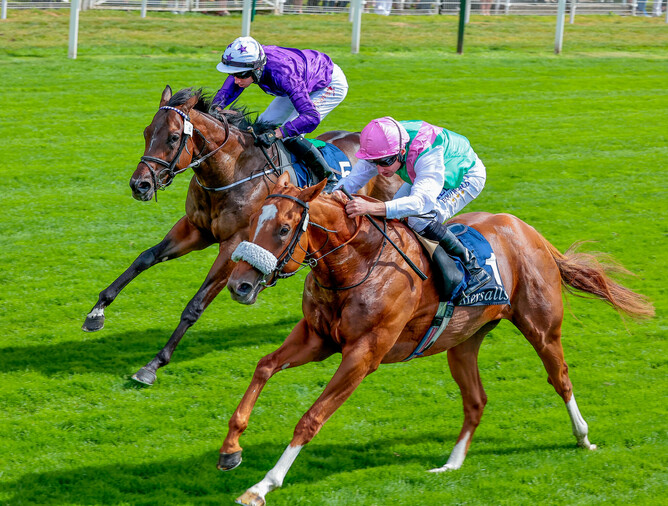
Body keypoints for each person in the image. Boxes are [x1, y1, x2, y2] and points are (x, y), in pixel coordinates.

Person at [335, 117, 491, 297]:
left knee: (418, 219)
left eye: (385, 162)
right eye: (374, 162)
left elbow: (420, 203)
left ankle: (474, 269)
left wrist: (371, 207)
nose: (380, 170)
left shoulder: (427, 154)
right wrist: (328, 196)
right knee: (395, 213)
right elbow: (351, 182)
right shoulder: (382, 147)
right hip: (421, 172)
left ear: (401, 151)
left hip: (463, 176)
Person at [213, 36, 349, 188]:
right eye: (233, 74)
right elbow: (227, 90)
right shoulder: (250, 65)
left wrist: (277, 133)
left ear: (257, 68)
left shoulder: (284, 74)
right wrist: (215, 108)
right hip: (299, 81)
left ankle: (329, 179)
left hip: (328, 84)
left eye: (241, 75)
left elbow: (310, 117)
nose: (236, 80)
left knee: (289, 135)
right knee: (261, 125)